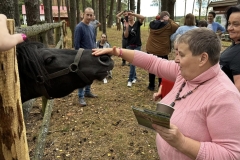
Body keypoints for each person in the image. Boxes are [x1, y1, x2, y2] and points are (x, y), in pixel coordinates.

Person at [92, 28, 240, 159]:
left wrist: (182, 142)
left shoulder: (224, 97)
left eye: (181, 55)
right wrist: (117, 52)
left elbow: (232, 154)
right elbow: (152, 62)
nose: (175, 60)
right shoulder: (186, 73)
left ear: (202, 58)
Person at [146, 11, 179, 91]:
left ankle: (151, 85)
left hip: (151, 49)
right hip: (162, 50)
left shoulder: (152, 24)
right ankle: (161, 85)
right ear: (166, 17)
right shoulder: (168, 26)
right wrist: (169, 20)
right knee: (163, 68)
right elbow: (177, 27)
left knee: (152, 67)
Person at [74, 7, 98, 107]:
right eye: (87, 14)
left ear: (93, 16)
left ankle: (88, 91)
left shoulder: (92, 26)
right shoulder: (79, 27)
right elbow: (76, 44)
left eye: (91, 15)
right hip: (83, 56)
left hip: (91, 55)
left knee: (90, 75)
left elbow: (93, 40)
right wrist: (79, 58)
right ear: (83, 14)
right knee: (82, 77)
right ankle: (81, 96)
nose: (89, 17)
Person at [220, 5, 240, 92]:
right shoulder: (236, 44)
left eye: (236, 24)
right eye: (229, 23)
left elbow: (238, 89)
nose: (229, 28)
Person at [123, 10, 145, 87]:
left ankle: (130, 79)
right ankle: (133, 77)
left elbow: (143, 17)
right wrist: (126, 28)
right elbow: (125, 36)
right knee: (132, 62)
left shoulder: (137, 23)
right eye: (128, 15)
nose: (129, 16)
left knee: (133, 62)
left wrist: (133, 14)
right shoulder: (126, 24)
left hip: (137, 45)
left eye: (130, 15)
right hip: (129, 45)